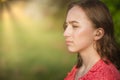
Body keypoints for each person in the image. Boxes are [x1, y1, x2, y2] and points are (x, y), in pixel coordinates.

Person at [63, 0, 120, 80]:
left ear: (98, 33)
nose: (65, 33)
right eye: (66, 26)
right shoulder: (78, 69)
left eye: (75, 26)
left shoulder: (105, 76)